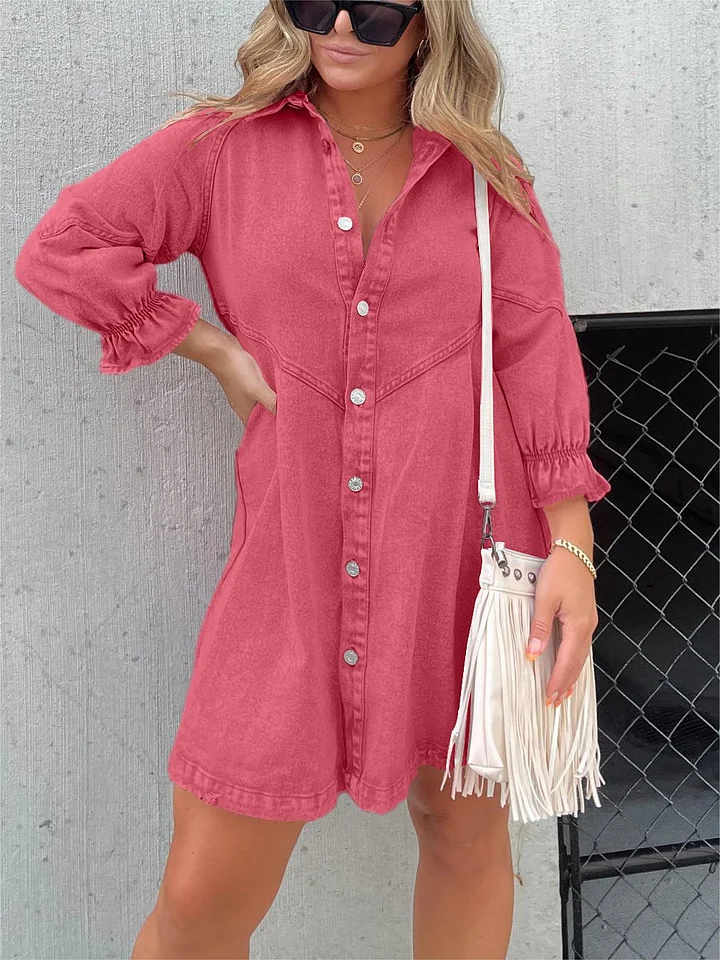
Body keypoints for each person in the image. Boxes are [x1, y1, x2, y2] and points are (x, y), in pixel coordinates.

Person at [14, 0, 612, 956]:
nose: (336, 24)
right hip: (287, 555)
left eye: (373, 10)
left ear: (429, 23)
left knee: (463, 835)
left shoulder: (484, 172)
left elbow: (534, 349)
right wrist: (207, 345)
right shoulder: (221, 150)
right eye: (312, 1)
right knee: (200, 900)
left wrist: (572, 548)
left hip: (461, 558)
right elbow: (63, 248)